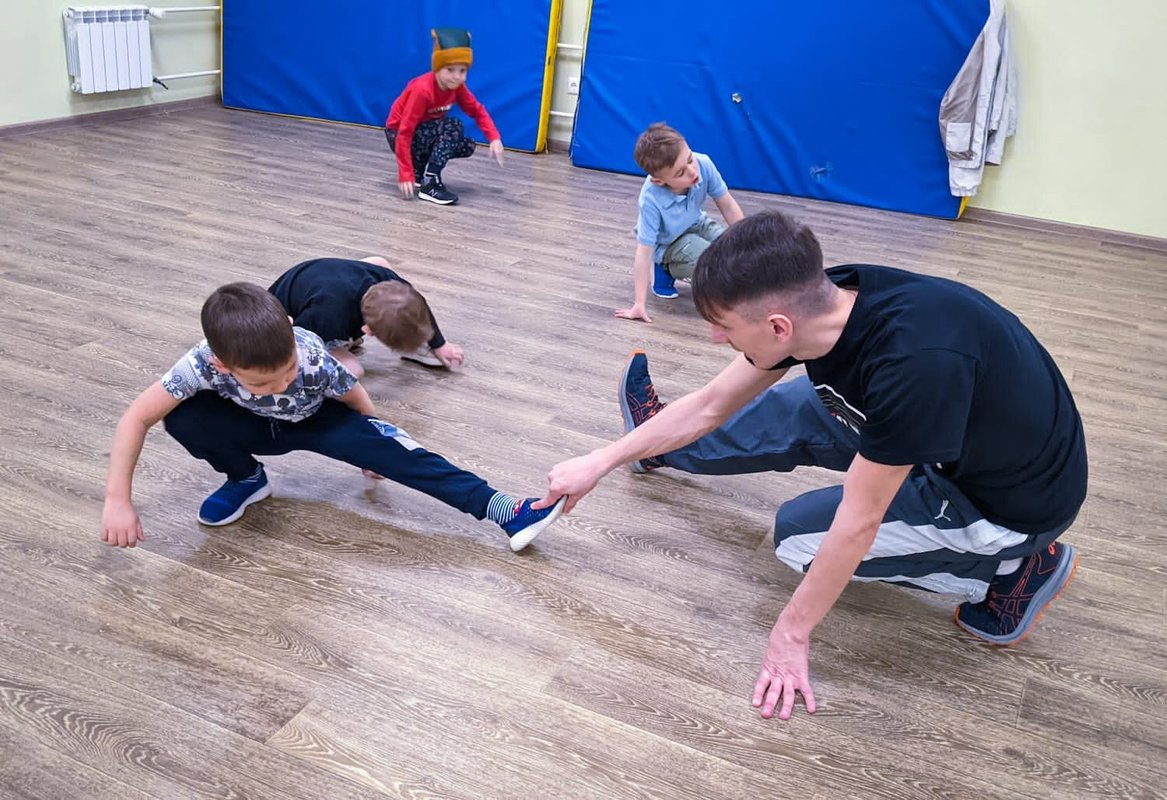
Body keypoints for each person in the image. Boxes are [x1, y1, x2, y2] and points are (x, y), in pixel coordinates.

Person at [540, 211, 1087, 721]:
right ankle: (656, 445)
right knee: (799, 404)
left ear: (779, 327)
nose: (715, 337)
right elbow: (710, 404)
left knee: (799, 539)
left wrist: (791, 633)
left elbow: (859, 521)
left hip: (1005, 504)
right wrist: (603, 459)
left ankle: (1013, 570)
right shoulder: (835, 295)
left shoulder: (913, 366)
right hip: (948, 433)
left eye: (724, 326)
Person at [101, 282, 563, 552]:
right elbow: (135, 419)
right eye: (263, 382)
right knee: (182, 416)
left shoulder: (311, 354)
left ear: (289, 332)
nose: (280, 385)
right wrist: (118, 500)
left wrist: (372, 447)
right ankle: (246, 479)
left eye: (286, 372)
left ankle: (502, 509)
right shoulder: (200, 363)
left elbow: (355, 395)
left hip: (319, 420)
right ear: (221, 365)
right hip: (250, 426)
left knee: (397, 452)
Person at [615, 123, 744, 323]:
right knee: (712, 263)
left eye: (690, 159)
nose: (692, 172)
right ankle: (664, 270)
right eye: (680, 173)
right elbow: (644, 250)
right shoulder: (650, 199)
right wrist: (639, 303)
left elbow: (727, 204)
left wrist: (748, 242)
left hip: (696, 222)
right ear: (659, 181)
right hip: (667, 243)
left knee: (731, 250)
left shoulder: (703, 164)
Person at [269, 255, 464, 378]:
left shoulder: (392, 283)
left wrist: (440, 344)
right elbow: (298, 341)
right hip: (285, 316)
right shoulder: (327, 316)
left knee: (379, 262)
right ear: (367, 330)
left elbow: (419, 307)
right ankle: (340, 344)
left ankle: (406, 338)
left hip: (328, 277)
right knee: (354, 370)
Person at [384, 27, 504, 206]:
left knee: (466, 145)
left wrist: (494, 138)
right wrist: (405, 173)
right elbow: (405, 131)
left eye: (462, 71)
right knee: (454, 125)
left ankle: (419, 172)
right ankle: (430, 183)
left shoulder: (457, 88)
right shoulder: (422, 90)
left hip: (421, 133)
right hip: (398, 133)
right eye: (450, 70)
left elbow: (477, 110)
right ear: (437, 68)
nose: (457, 77)